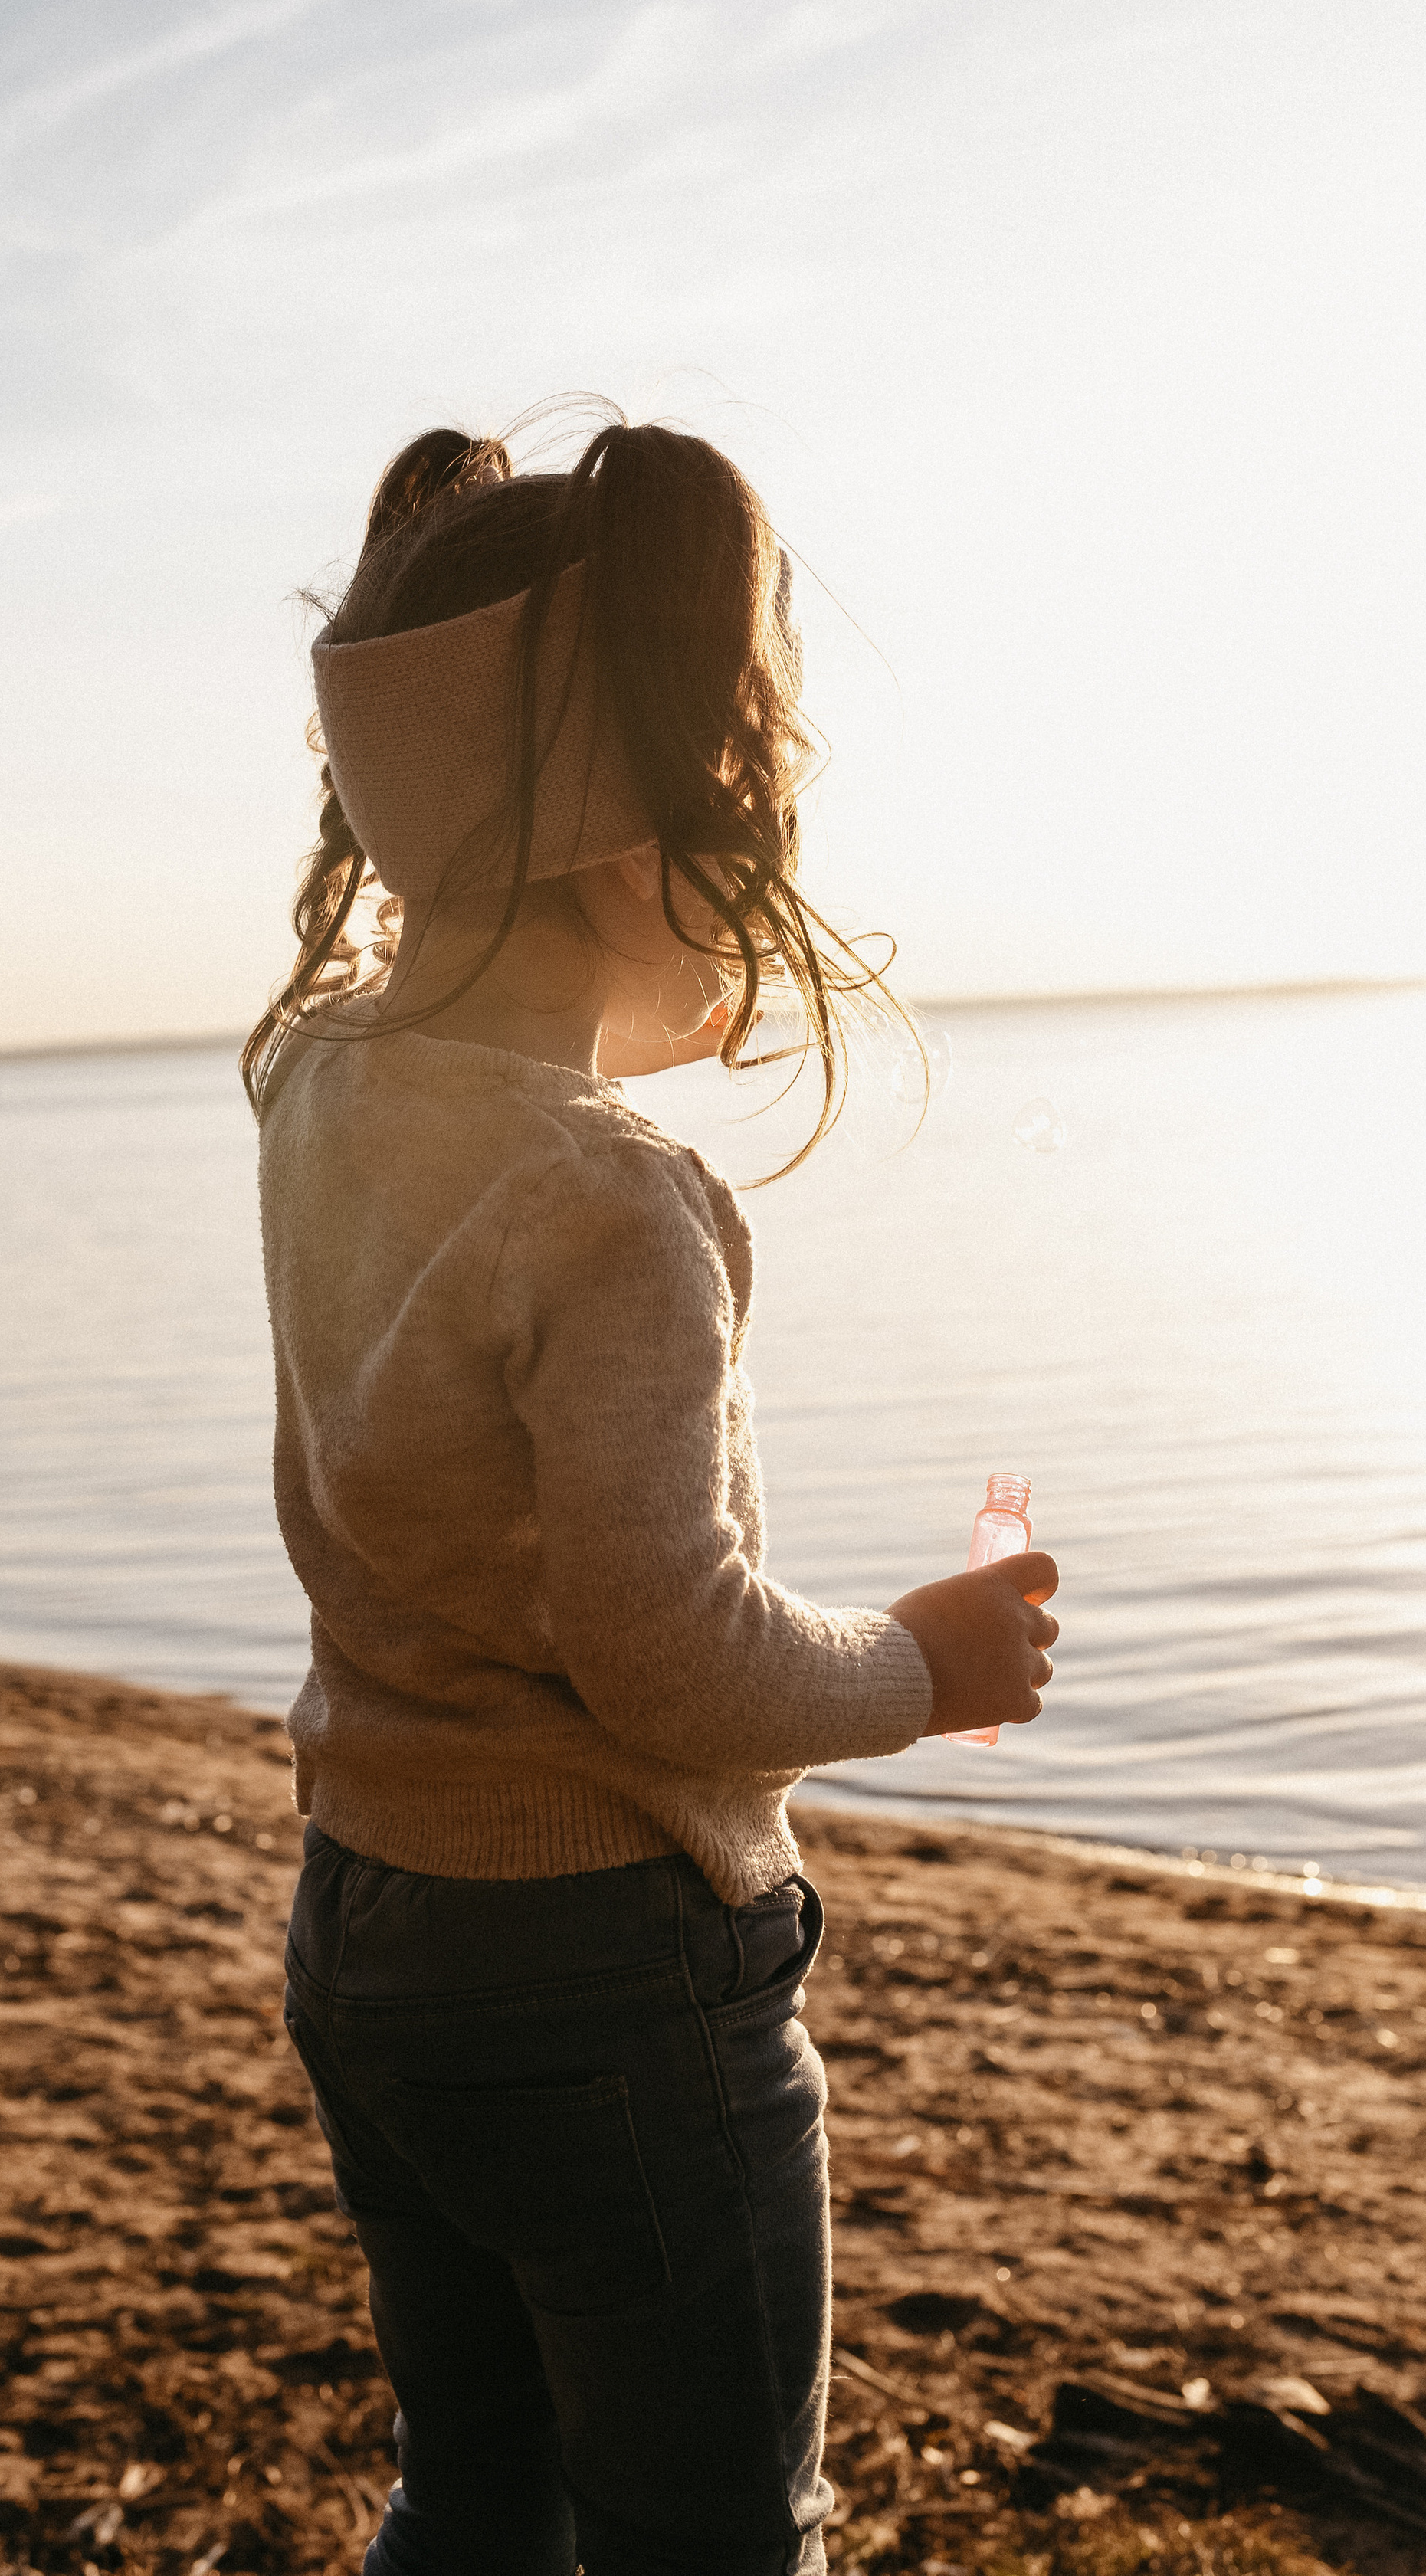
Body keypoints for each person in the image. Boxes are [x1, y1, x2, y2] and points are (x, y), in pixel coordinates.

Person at [247, 414, 1060, 2576]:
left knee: (476, 2492)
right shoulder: (610, 1204)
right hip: (604, 1968)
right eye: (748, 809)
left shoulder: (318, 1088)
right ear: (634, 850)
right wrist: (929, 1659)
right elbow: (667, 1651)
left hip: (369, 1927)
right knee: (710, 2531)